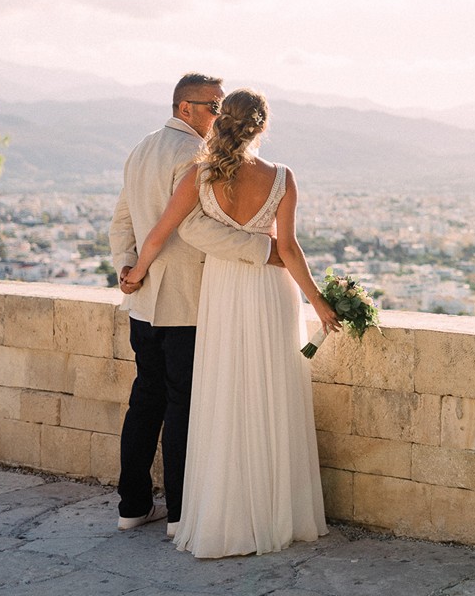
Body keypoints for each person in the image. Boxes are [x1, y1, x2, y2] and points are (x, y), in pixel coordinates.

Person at [122, 88, 340, 558]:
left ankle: (219, 510)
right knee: (269, 388)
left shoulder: (200, 175)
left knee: (220, 394)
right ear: (261, 126)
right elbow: (289, 249)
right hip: (269, 293)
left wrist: (135, 274)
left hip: (220, 291)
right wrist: (318, 303)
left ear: (222, 123)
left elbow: (161, 232)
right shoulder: (282, 177)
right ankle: (274, 509)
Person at [110, 73, 283, 534]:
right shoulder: (196, 155)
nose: (220, 116)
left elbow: (122, 217)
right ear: (185, 108)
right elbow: (194, 228)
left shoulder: (143, 147)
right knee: (183, 406)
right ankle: (182, 513)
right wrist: (266, 251)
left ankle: (132, 506)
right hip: (185, 300)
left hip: (144, 301)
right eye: (213, 107)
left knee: (145, 402)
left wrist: (126, 265)